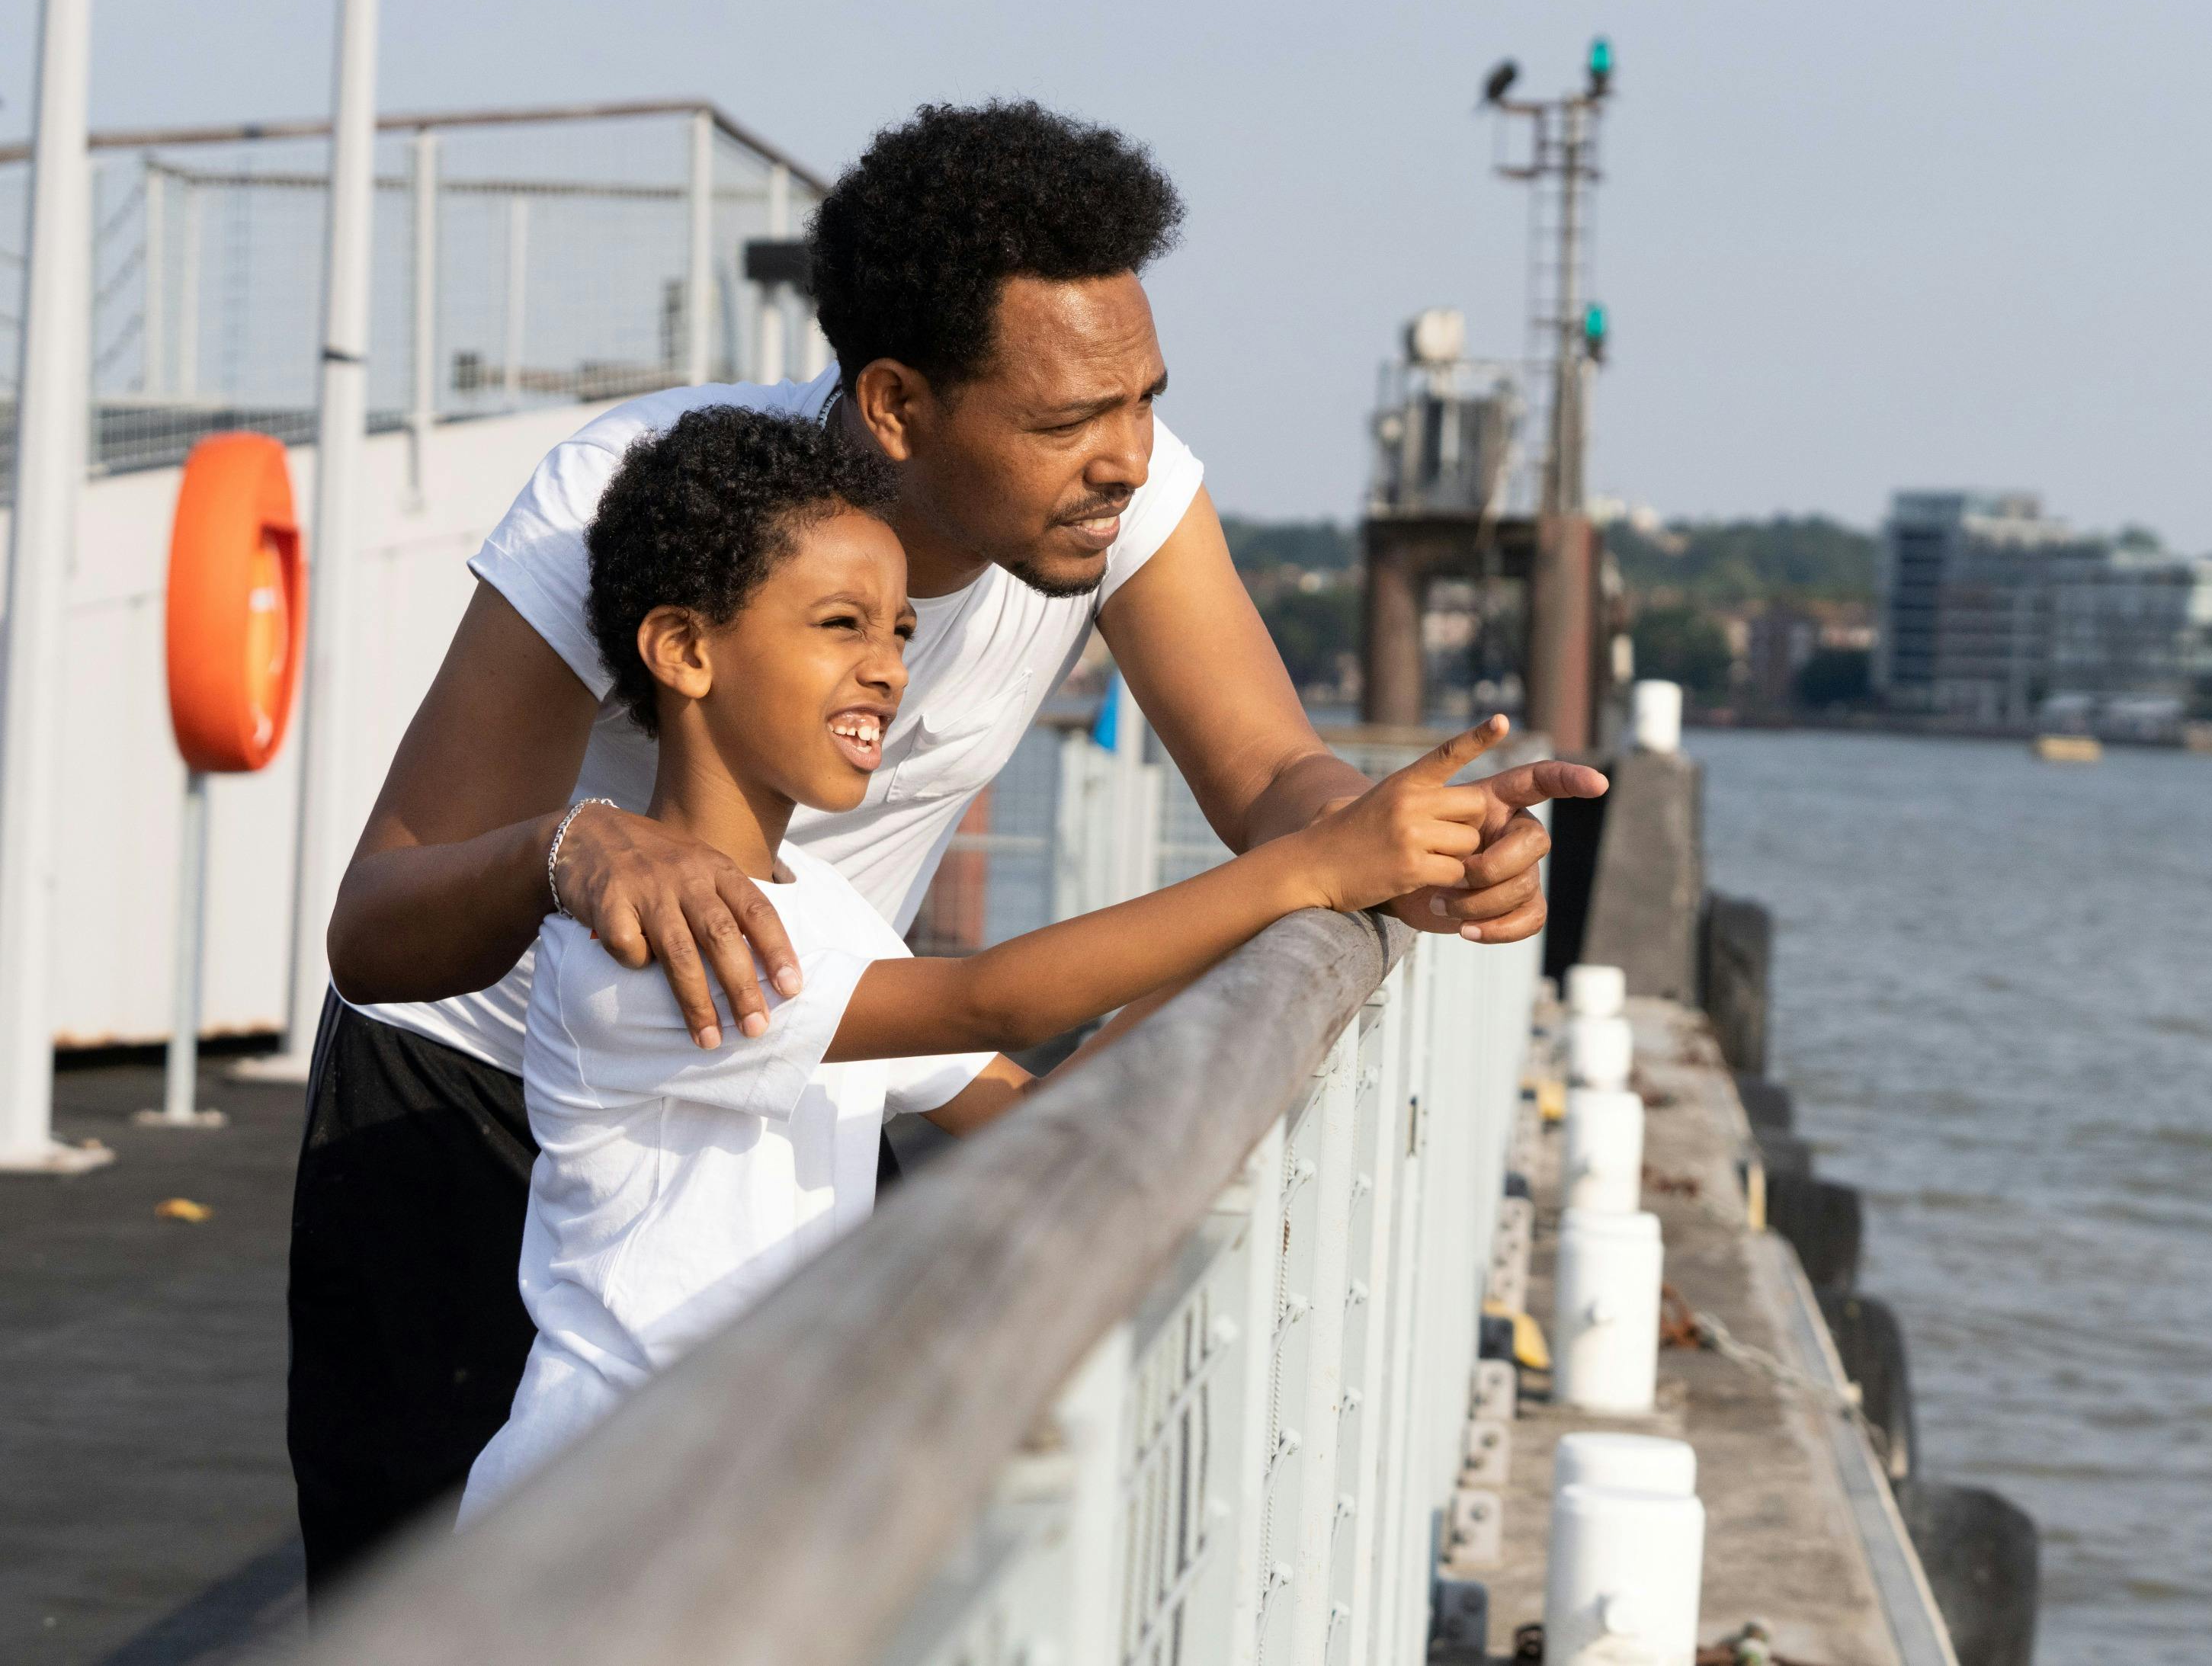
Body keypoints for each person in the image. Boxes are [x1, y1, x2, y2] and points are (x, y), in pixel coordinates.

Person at [292, 101, 1608, 1593]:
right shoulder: (634, 499)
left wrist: (1416, 850)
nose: (1123, 458)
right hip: (472, 1098)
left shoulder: (1125, 499)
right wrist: (568, 848)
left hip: (797, 1061)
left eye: (1144, 404)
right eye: (1064, 422)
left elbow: (1270, 774)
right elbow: (376, 921)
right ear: (897, 406)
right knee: (422, 1606)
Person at [459, 406, 1499, 1520]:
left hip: (737, 1481)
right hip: (596, 1499)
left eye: (901, 632)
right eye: (842, 624)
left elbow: (1031, 1107)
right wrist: (1307, 870)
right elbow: (984, 997)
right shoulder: (647, 940)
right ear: (687, 650)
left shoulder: (824, 909)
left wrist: (1280, 931)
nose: (887, 671)